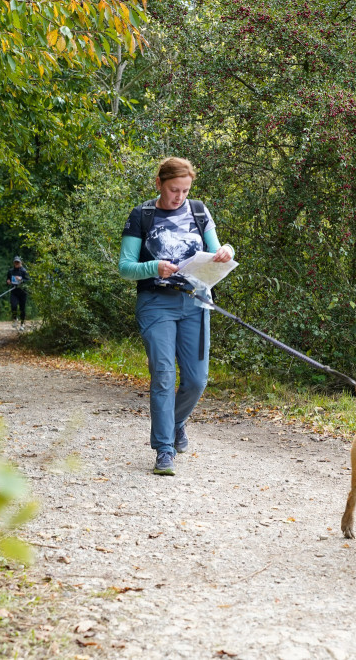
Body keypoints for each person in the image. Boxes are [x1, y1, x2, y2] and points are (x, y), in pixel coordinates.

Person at [118, 157, 235, 476]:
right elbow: (125, 267)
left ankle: (176, 422)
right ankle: (164, 449)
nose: (179, 197)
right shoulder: (141, 215)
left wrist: (226, 251)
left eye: (185, 191)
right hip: (156, 303)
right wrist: (153, 267)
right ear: (159, 184)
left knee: (196, 380)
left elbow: (218, 251)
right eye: (173, 190)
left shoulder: (199, 210)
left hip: (196, 301)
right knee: (164, 375)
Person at [6, 256, 29, 330]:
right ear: (13, 263)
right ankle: (15, 319)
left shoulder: (24, 271)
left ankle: (22, 325)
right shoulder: (11, 271)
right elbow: (8, 279)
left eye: (18, 262)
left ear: (20, 263)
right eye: (15, 262)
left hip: (23, 292)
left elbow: (28, 281)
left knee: (22, 309)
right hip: (14, 291)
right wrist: (8, 281)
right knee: (13, 305)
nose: (16, 263)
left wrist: (21, 279)